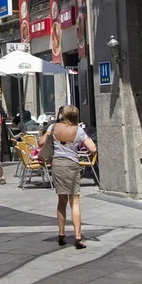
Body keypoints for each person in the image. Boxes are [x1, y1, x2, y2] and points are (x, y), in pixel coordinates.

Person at [39, 105, 97, 249]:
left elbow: (40, 143)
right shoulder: (79, 130)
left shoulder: (54, 127)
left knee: (61, 200)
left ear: (64, 115)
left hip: (57, 165)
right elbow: (93, 148)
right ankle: (78, 236)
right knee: (75, 201)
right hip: (72, 164)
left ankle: (61, 234)